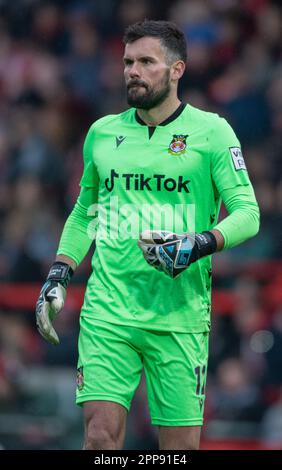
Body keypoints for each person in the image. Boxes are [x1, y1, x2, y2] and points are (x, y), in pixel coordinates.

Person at [35, 20, 260, 450]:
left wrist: (198, 244)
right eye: (127, 61)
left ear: (177, 69)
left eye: (145, 62)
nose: (132, 70)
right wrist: (60, 272)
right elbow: (87, 213)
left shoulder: (212, 133)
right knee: (99, 437)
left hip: (179, 315)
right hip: (108, 310)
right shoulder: (102, 133)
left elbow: (248, 213)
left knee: (179, 449)